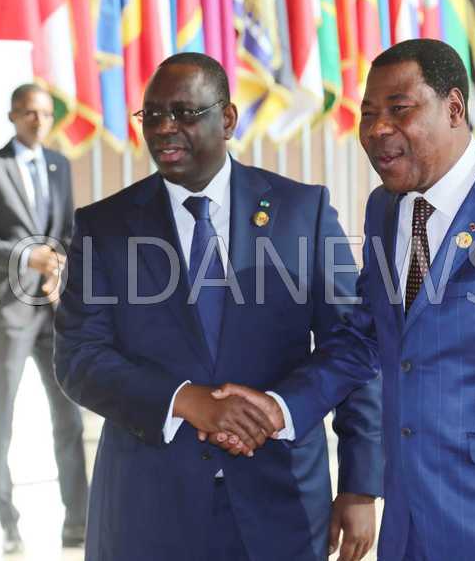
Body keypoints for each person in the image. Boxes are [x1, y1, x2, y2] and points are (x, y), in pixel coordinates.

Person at [213, 39, 475, 561]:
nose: (378, 129)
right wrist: (280, 407)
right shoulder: (385, 210)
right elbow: (366, 339)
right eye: (368, 114)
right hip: (408, 532)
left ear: (454, 109)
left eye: (399, 109)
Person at [54, 52, 383, 561]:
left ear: (227, 118)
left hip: (283, 506)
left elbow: (352, 347)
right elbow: (79, 357)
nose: (165, 128)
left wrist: (359, 486)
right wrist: (185, 400)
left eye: (184, 113)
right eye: (152, 114)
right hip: (148, 512)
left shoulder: (304, 211)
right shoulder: (105, 226)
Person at [0, 83, 88, 553]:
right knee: (3, 419)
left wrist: (57, 271)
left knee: (69, 417)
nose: (39, 121)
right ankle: (8, 523)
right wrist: (24, 256)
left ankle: (78, 522)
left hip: (52, 313)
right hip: (7, 314)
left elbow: (66, 233)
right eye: (30, 113)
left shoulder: (60, 165)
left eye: (46, 114)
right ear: (13, 115)